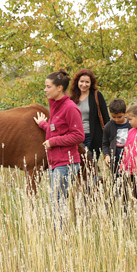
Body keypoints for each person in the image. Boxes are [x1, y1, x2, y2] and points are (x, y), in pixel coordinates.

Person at [33, 70, 85, 228]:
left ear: (59, 88)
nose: (45, 89)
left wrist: (53, 141)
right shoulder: (55, 106)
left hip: (66, 163)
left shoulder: (70, 108)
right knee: (55, 200)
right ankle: (59, 236)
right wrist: (44, 125)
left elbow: (78, 136)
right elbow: (59, 129)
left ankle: (61, 237)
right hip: (55, 162)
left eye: (48, 86)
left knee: (58, 201)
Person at [70, 69, 109, 162]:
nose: (84, 84)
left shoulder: (96, 95)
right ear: (77, 82)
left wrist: (107, 137)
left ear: (91, 83)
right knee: (79, 166)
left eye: (87, 82)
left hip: (93, 137)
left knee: (91, 165)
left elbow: (106, 117)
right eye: (81, 81)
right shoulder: (72, 97)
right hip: (76, 137)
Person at [102, 99, 132, 177]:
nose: (116, 119)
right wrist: (107, 155)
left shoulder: (131, 125)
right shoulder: (108, 126)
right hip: (115, 159)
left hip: (130, 159)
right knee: (117, 180)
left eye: (119, 117)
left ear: (125, 113)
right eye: (113, 117)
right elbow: (105, 144)